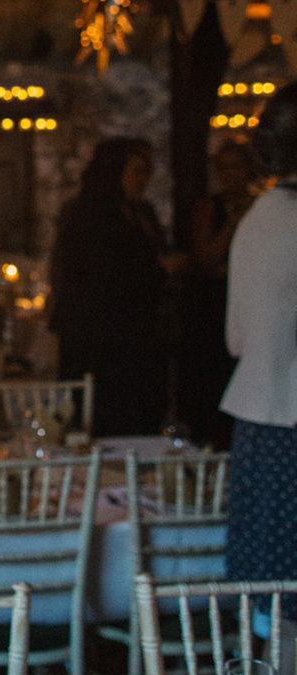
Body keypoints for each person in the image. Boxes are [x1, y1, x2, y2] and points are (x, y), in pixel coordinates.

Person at [222, 83, 297, 593]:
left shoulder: (255, 219)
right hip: (287, 424)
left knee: (267, 597)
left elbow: (237, 339)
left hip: (260, 422)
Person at [49, 137, 176, 436]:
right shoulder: (86, 213)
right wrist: (157, 269)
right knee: (103, 416)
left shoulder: (141, 212)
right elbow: (94, 273)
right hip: (98, 338)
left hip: (139, 335)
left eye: (147, 171)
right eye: (136, 171)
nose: (143, 180)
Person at [179, 139, 261, 445]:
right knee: (209, 384)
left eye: (235, 167)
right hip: (211, 308)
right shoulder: (208, 208)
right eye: (222, 168)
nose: (228, 175)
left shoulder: (263, 208)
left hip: (248, 304)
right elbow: (207, 258)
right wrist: (236, 220)